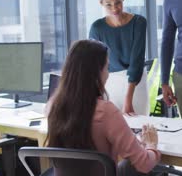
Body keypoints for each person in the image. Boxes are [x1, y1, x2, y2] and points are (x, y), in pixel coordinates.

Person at [46, 40, 160, 175]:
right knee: (138, 166)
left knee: (125, 165)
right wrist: (151, 144)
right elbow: (144, 163)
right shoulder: (106, 111)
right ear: (96, 74)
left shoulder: (52, 106)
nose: (108, 74)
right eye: (106, 68)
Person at [89, 0, 148, 115]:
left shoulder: (138, 23)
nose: (114, 9)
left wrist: (128, 101)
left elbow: (136, 63)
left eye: (118, 2)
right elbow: (94, 67)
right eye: (108, 5)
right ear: (101, 3)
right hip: (109, 86)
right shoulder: (97, 28)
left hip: (135, 86)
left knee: (137, 130)